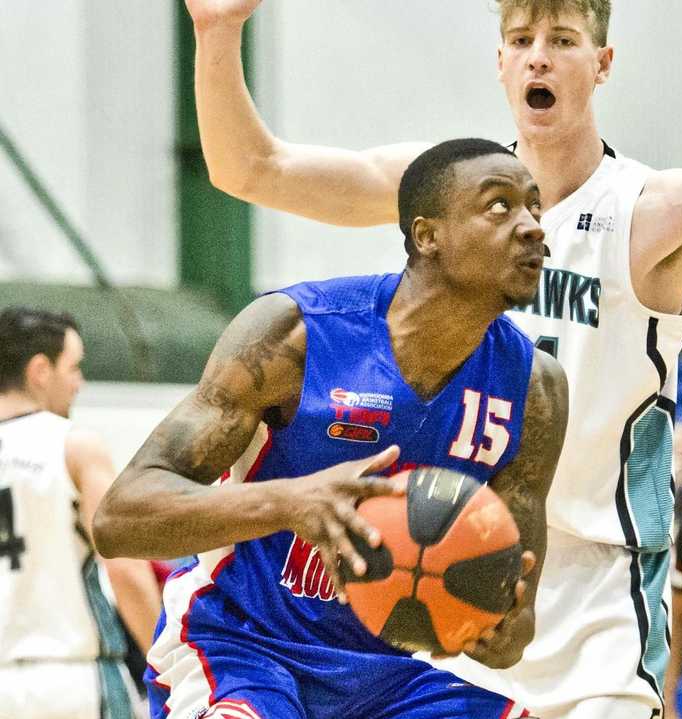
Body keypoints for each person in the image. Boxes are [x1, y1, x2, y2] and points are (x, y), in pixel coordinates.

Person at [182, 0, 682, 715]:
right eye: (523, 36)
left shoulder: (656, 212)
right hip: (436, 558)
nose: (540, 53)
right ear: (500, 61)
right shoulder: (436, 190)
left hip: (597, 587)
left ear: (601, 64)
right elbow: (251, 168)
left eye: (564, 38)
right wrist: (217, 33)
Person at [92, 140, 569, 719]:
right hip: (238, 644)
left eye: (536, 209)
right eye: (500, 206)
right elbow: (118, 519)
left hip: (381, 678)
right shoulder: (293, 333)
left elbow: (514, 637)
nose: (532, 229)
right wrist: (291, 501)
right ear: (427, 236)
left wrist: (491, 622)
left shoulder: (535, 389)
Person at [0, 307, 163, 719]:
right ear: (40, 370)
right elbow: (125, 569)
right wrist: (167, 669)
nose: (80, 383)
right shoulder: (74, 445)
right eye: (74, 367)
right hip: (73, 681)